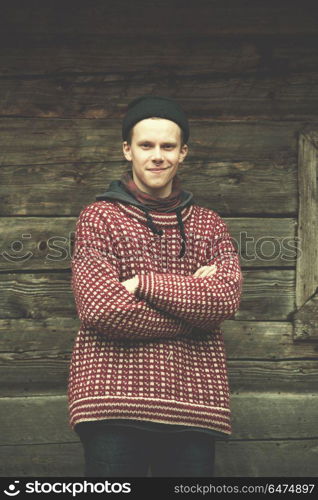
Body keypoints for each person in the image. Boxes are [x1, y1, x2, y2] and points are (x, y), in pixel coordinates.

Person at [67, 95, 243, 477]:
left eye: (168, 146)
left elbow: (225, 298)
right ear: (127, 150)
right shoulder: (99, 218)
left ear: (183, 153)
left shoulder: (209, 224)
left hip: (194, 403)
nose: (157, 156)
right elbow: (103, 309)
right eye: (146, 145)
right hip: (111, 401)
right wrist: (194, 313)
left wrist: (143, 283)